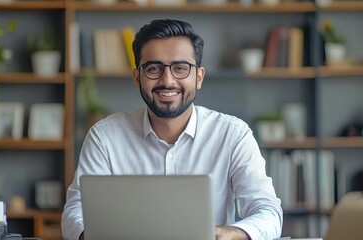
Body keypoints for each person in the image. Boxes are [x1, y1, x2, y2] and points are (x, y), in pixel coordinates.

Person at [62, 19, 283, 240]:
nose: (167, 81)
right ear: (137, 77)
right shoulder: (104, 137)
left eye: (180, 68)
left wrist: (232, 233)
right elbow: (75, 212)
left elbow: (268, 212)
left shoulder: (232, 135)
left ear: (198, 77)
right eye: (154, 68)